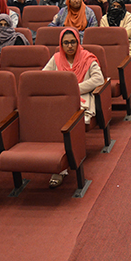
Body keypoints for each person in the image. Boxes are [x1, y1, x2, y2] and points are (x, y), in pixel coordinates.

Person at [42, 27, 105, 188]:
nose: (69, 46)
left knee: (67, 124)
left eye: (73, 42)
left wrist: (74, 88)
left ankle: (61, 168)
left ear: (78, 42)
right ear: (61, 45)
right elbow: (43, 77)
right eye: (66, 43)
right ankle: (58, 162)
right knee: (53, 122)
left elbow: (98, 80)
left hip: (82, 99)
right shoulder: (56, 58)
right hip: (61, 101)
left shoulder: (87, 58)